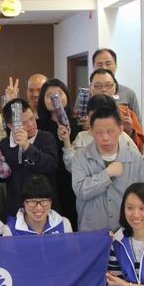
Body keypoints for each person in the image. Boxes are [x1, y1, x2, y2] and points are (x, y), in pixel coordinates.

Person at [71, 107, 144, 232]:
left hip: (126, 230)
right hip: (92, 231)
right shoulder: (81, 156)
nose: (105, 137)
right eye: (99, 133)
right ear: (91, 131)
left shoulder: (134, 157)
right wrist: (106, 174)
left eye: (110, 131)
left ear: (121, 130)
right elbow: (81, 192)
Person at [0, 98, 58, 219]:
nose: (31, 124)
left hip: (45, 209)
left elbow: (50, 165)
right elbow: (0, 178)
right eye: (24, 123)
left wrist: (27, 146)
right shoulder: (4, 145)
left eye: (32, 118)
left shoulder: (46, 137)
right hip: (15, 208)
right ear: (10, 125)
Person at [36, 78, 81, 229]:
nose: (55, 97)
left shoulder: (78, 123)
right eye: (49, 95)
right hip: (48, 180)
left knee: (73, 219)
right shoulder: (38, 125)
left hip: (72, 179)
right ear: (43, 100)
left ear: (67, 96)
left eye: (59, 93)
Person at [63, 95, 140, 170]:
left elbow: (138, 162)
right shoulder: (82, 137)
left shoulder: (121, 135)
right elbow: (72, 166)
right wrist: (66, 141)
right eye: (95, 114)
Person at [88, 69, 144, 152]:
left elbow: (140, 149)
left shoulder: (126, 113)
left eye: (108, 85)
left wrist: (130, 131)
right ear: (90, 88)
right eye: (98, 86)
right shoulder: (82, 112)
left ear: (115, 88)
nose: (104, 89)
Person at [8, 174, 72, 235]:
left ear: (51, 202)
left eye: (44, 201)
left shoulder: (63, 224)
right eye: (32, 202)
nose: (39, 207)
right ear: (23, 202)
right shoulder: (10, 230)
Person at [91, 48, 141, 122]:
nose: (104, 67)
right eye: (99, 64)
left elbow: (138, 125)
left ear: (116, 65)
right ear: (93, 67)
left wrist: (129, 126)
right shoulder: (84, 95)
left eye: (108, 64)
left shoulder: (128, 94)